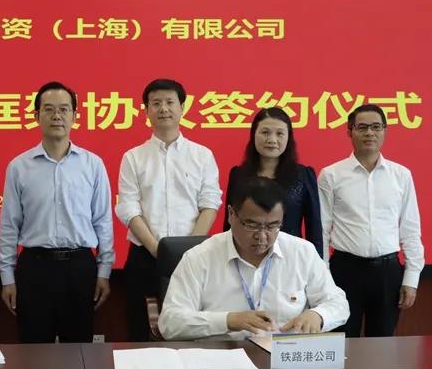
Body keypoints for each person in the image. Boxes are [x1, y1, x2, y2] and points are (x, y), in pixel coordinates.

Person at [158, 176, 348, 340]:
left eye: (273, 226)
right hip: (222, 359)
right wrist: (228, 320)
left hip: (284, 361)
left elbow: (338, 303)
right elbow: (170, 322)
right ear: (231, 215)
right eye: (252, 225)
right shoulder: (199, 258)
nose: (262, 236)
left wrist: (318, 315)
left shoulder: (302, 252)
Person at [0, 81, 114, 343]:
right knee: (34, 351)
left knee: (79, 351)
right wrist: (6, 277)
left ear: (75, 116)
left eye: (64, 109)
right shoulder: (19, 167)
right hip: (35, 268)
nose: (57, 116)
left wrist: (104, 271)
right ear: (36, 116)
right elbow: (9, 226)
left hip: (80, 268)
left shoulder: (92, 165)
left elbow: (103, 222)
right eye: (49, 109)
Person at [116, 78, 221, 340]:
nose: (163, 108)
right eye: (156, 103)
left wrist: (189, 248)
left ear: (182, 107)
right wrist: (159, 251)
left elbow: (210, 203)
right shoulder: (133, 157)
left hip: (194, 257)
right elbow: (128, 207)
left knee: (192, 329)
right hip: (145, 256)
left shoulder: (202, 155)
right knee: (141, 331)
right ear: (147, 111)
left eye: (170, 102)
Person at [318, 103, 424, 338]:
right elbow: (322, 230)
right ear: (350, 131)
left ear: (385, 131)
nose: (369, 133)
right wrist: (323, 278)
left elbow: (410, 229)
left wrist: (411, 278)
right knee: (342, 341)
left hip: (388, 272)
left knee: (383, 344)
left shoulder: (401, 175)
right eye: (362, 127)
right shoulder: (331, 175)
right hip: (345, 270)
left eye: (376, 127)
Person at [222, 107, 322, 257]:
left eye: (279, 133)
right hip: (246, 255)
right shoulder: (239, 175)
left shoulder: (304, 175)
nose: (272, 140)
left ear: (288, 138)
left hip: (290, 256)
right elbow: (229, 225)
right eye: (265, 132)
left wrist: (317, 263)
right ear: (253, 135)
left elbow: (314, 228)